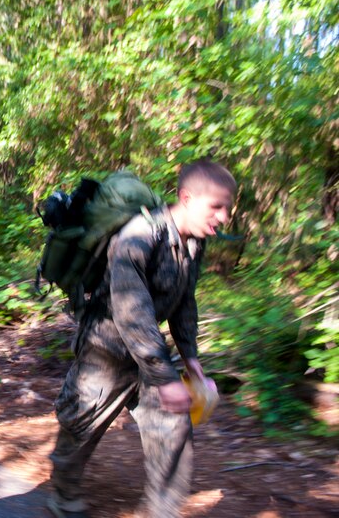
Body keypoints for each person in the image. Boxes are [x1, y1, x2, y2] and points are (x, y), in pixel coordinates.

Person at [46, 160, 237, 518]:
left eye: (227, 208)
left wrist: (191, 360)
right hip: (105, 348)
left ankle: (162, 510)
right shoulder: (139, 235)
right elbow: (130, 309)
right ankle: (63, 492)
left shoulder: (194, 242)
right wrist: (165, 376)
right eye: (217, 206)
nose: (224, 217)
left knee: (174, 428)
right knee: (80, 426)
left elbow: (184, 300)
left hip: (150, 354)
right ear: (187, 197)